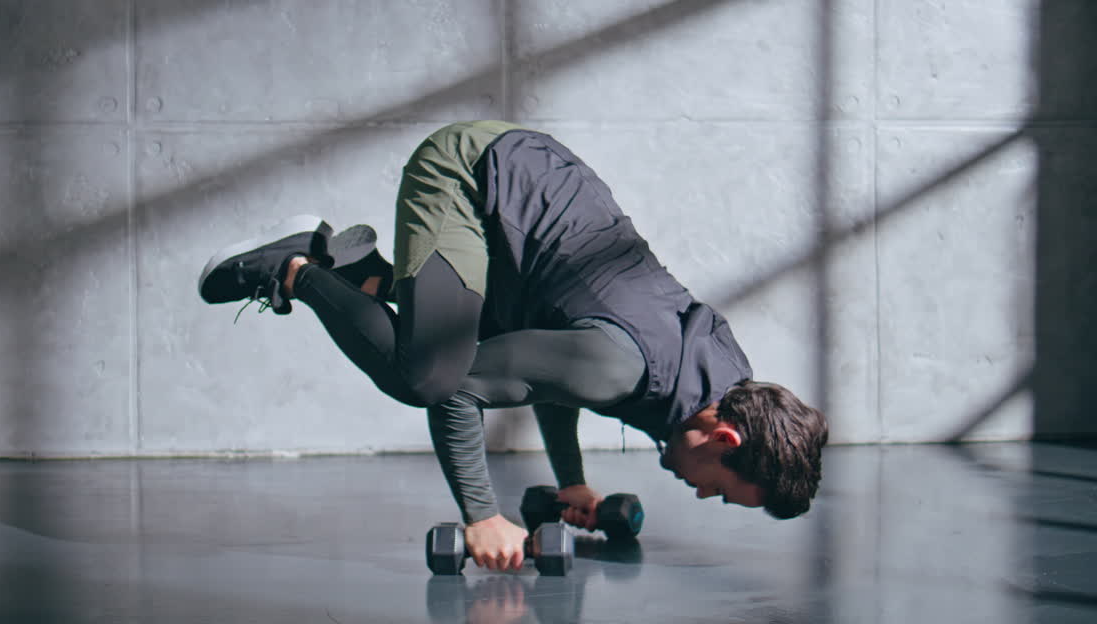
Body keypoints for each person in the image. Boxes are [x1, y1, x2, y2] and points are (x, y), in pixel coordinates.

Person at [199, 121, 828, 573]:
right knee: (425, 376)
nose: (699, 493)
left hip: (529, 223)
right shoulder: (625, 368)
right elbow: (461, 392)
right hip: (475, 178)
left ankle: (361, 273)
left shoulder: (729, 381)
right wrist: (482, 515)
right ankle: (294, 267)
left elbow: (553, 372)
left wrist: (572, 484)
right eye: (716, 487)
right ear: (725, 440)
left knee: (480, 348)